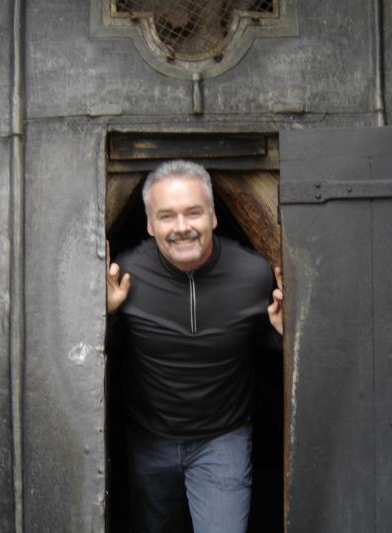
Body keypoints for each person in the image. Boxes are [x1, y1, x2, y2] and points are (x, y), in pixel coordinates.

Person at [106, 159, 283, 533]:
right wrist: (106, 316)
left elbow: (267, 350)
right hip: (149, 438)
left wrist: (285, 334)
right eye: (166, 216)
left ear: (214, 217)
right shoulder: (124, 275)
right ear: (149, 224)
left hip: (224, 440)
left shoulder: (254, 274)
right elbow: (104, 354)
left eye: (193, 213)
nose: (182, 227)